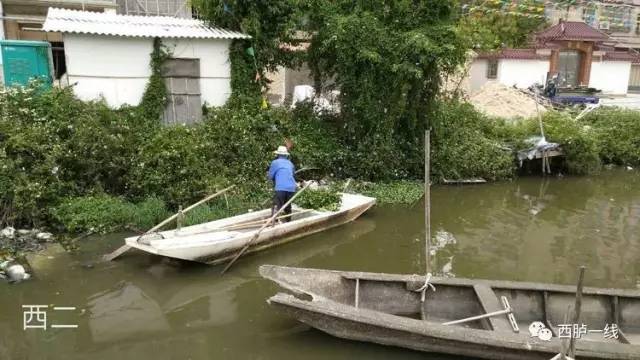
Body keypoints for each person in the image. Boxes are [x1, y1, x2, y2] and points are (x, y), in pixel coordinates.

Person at [268, 145, 296, 221]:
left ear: (278, 154)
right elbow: (293, 175)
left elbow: (270, 176)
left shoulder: (275, 162)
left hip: (280, 187)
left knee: (277, 206)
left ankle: (274, 222)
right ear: (286, 155)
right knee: (287, 206)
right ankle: (288, 222)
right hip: (291, 188)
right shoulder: (290, 163)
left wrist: (275, 179)